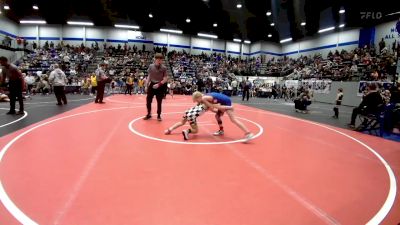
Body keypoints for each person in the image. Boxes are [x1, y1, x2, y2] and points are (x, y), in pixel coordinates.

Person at [143, 53, 168, 121]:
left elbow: (165, 79)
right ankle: (149, 114)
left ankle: (159, 115)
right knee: (148, 100)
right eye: (157, 59)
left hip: (160, 86)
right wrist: (146, 85)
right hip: (152, 85)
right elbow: (149, 76)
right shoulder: (151, 66)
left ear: (162, 60)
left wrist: (159, 84)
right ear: (155, 59)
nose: (159, 61)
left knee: (159, 102)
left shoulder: (164, 68)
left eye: (160, 59)